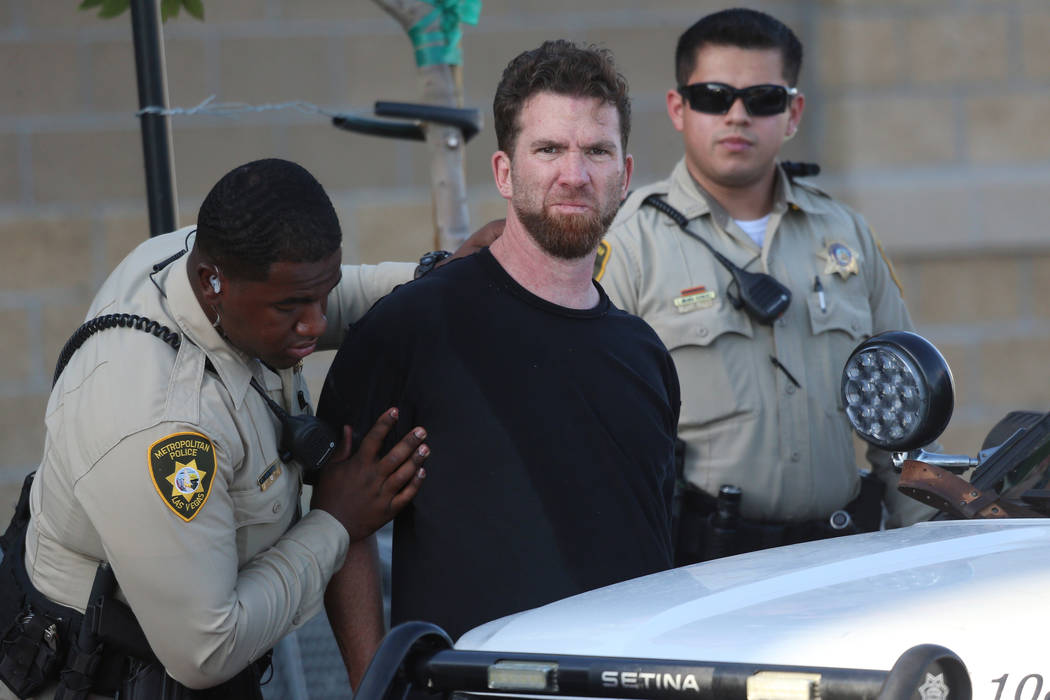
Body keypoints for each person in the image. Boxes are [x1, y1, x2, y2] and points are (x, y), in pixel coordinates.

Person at [0, 158, 494, 699]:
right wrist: (338, 521)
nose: (316, 323)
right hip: (120, 678)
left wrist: (431, 280)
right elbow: (206, 650)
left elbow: (316, 288)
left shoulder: (196, 261)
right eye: (290, 308)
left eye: (321, 294)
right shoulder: (166, 432)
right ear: (213, 282)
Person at [317, 40, 681, 691]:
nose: (575, 174)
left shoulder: (645, 355)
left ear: (625, 174)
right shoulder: (414, 327)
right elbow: (339, 526)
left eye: (596, 151)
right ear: (505, 172)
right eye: (548, 150)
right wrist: (376, 683)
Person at [595, 8, 933, 565]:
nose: (736, 115)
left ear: (793, 112)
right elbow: (598, 444)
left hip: (840, 558)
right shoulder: (631, 245)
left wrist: (928, 551)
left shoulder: (846, 234)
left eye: (763, 98)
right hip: (698, 573)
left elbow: (903, 419)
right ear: (679, 108)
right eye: (713, 96)